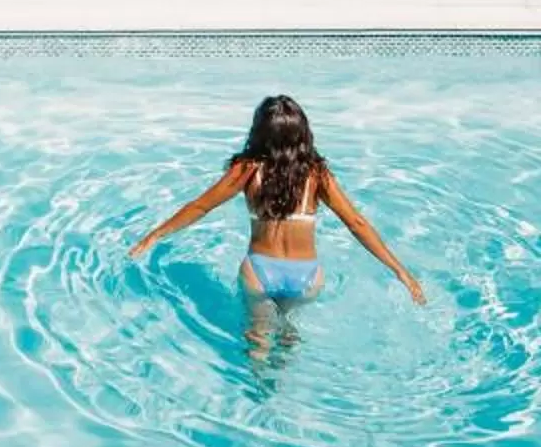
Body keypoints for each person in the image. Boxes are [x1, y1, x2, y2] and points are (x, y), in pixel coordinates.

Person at [130, 94, 425, 306]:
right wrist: (400, 270)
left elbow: (200, 206)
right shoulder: (316, 174)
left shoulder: (247, 170)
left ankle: (258, 392)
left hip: (260, 272)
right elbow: (357, 223)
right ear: (303, 134)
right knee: (288, 341)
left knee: (256, 346)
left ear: (259, 132)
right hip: (306, 276)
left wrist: (155, 235)